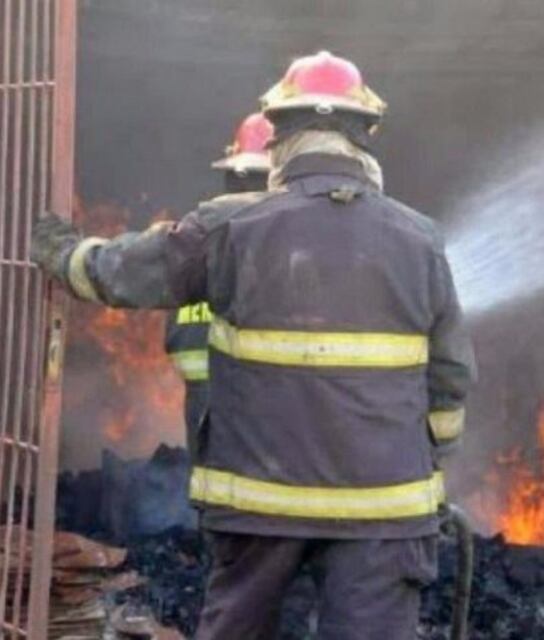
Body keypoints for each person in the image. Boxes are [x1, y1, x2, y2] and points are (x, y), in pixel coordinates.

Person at [31, 50, 475, 640]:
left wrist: (62, 255)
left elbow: (122, 273)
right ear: (365, 137)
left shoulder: (231, 227)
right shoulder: (420, 241)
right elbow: (448, 378)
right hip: (383, 513)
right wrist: (425, 457)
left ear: (280, 138)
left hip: (260, 511)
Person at [164, 111, 273, 457]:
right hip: (273, 442)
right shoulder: (291, 251)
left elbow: (180, 344)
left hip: (210, 445)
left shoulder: (196, 244)